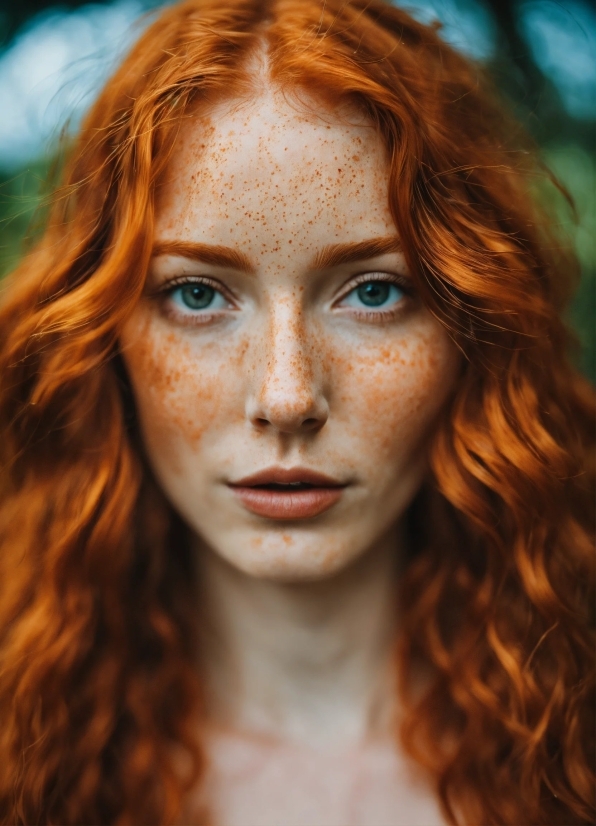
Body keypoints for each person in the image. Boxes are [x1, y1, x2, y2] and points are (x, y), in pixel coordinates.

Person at [0, 0, 593, 823]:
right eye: (197, 294)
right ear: (106, 339)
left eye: (374, 292)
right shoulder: (23, 763)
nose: (286, 397)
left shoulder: (573, 753)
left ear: (475, 333)